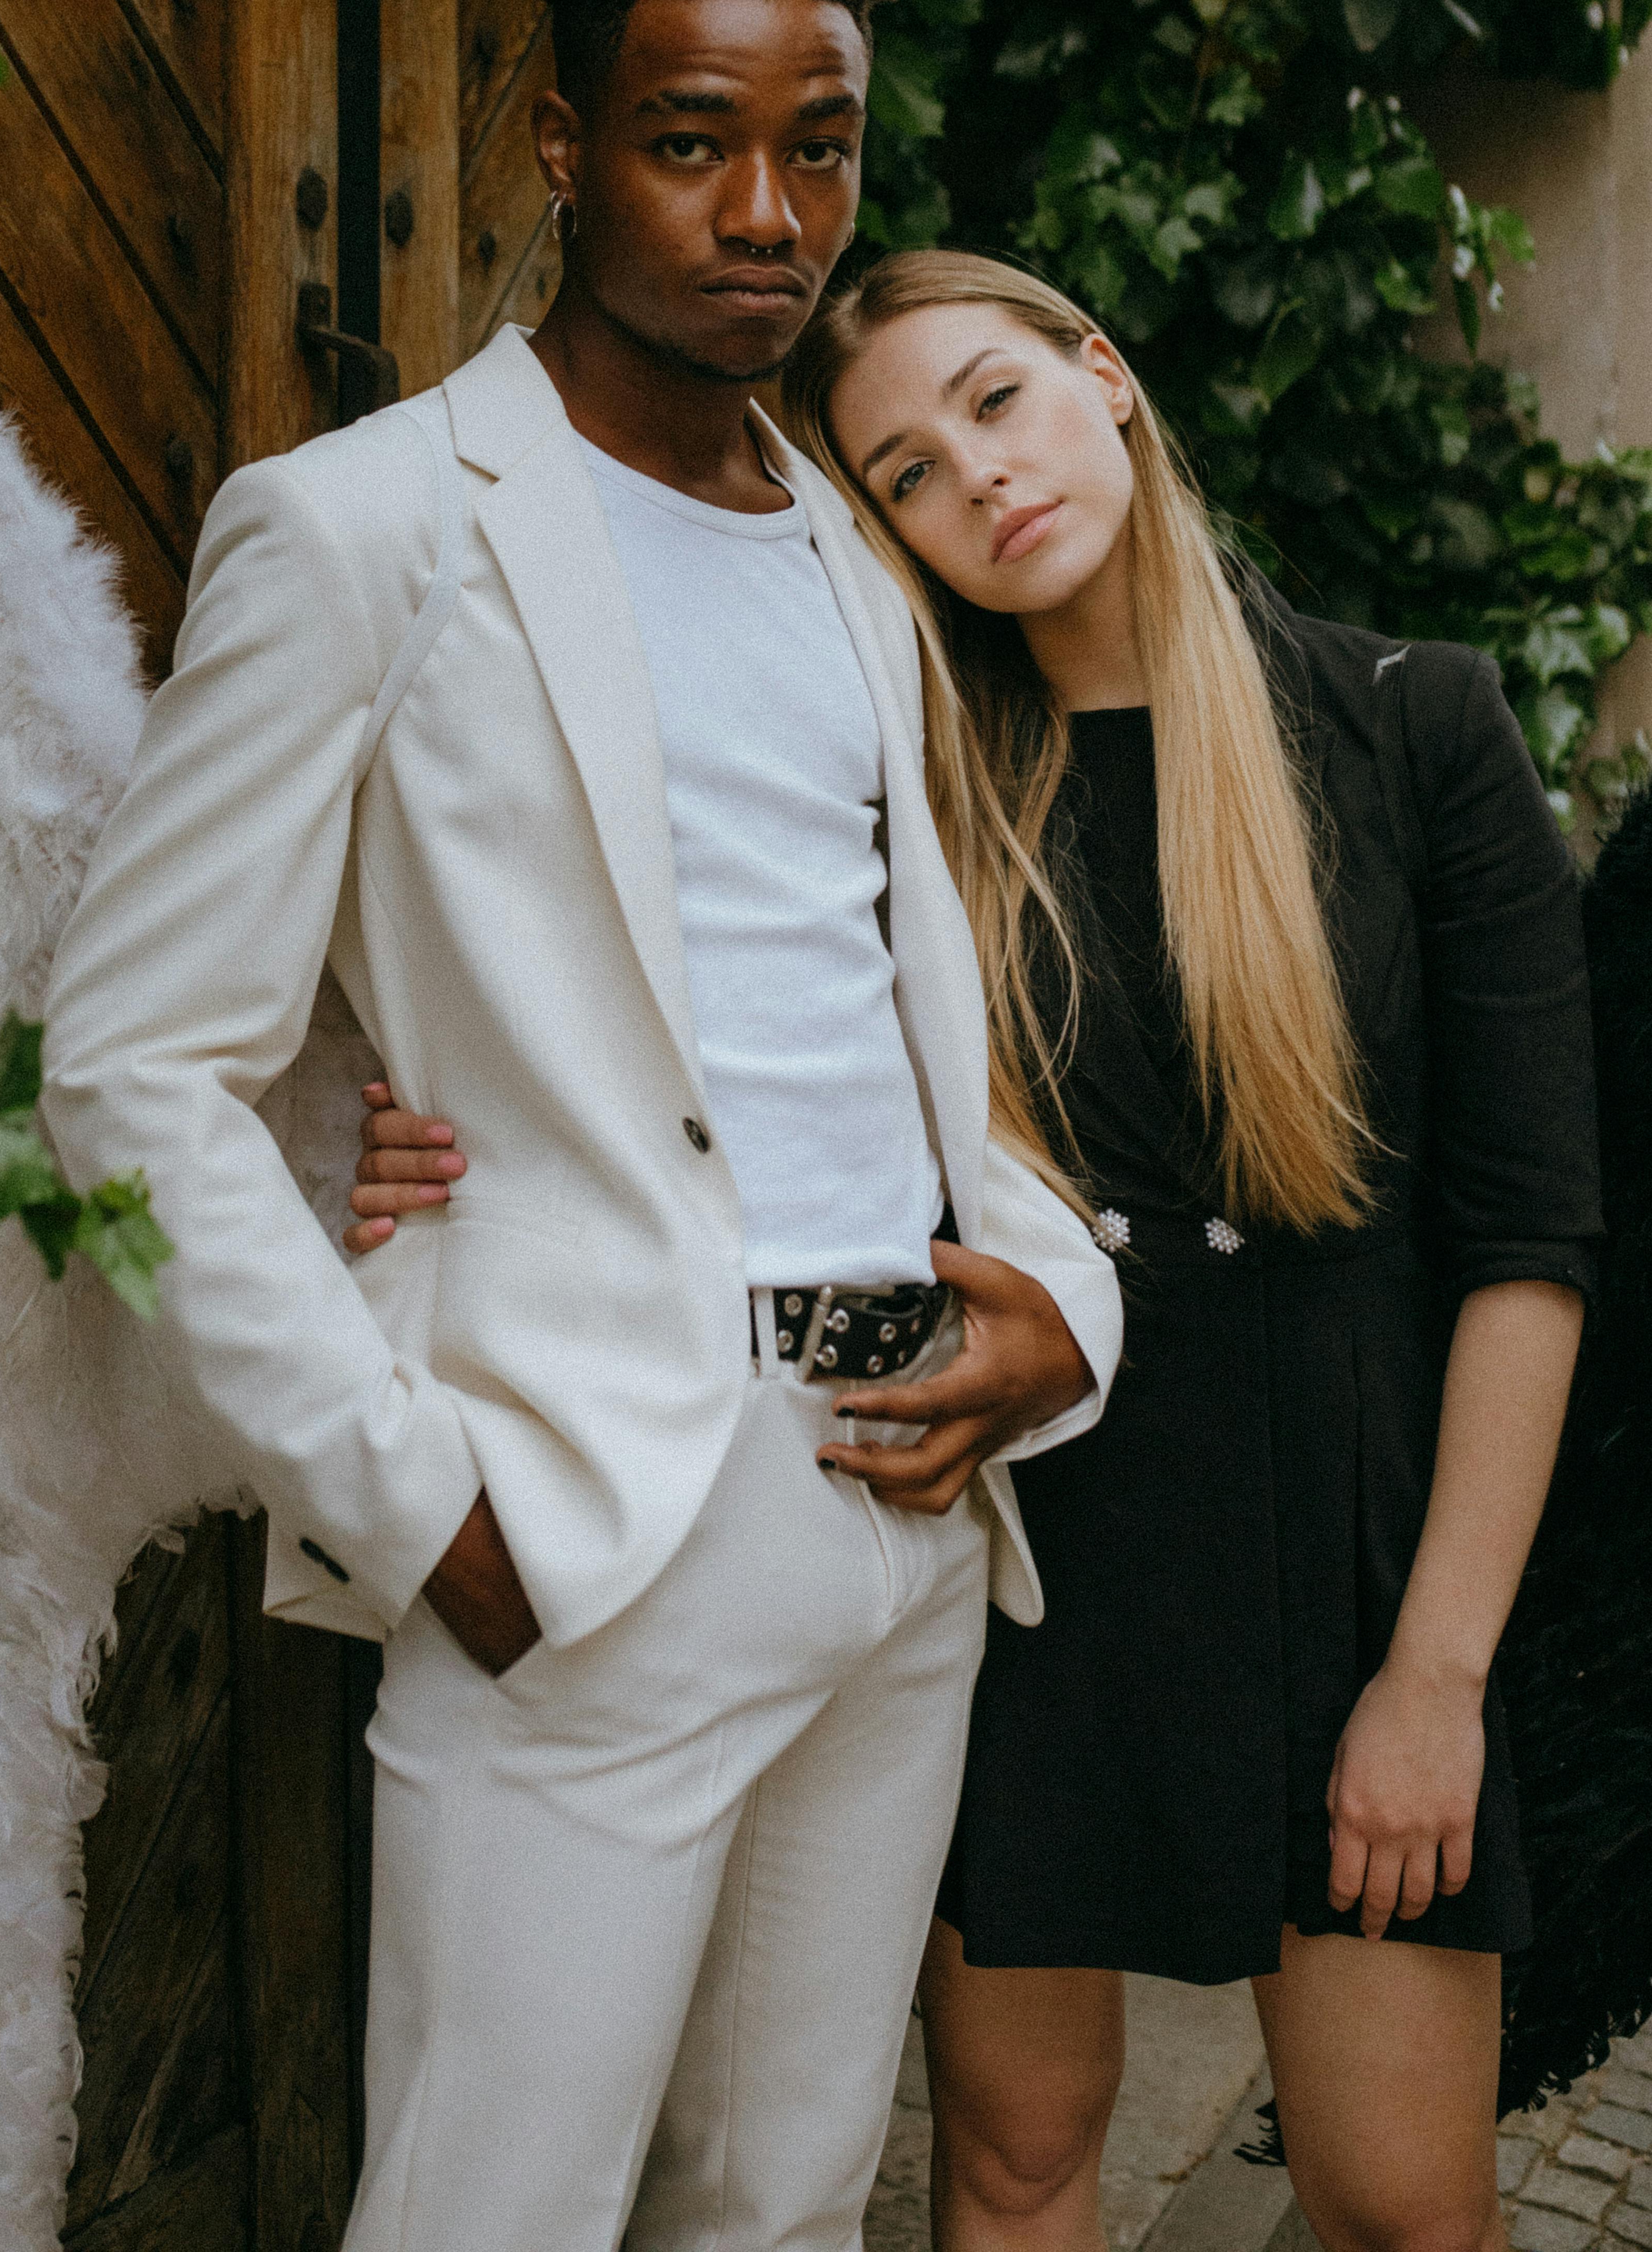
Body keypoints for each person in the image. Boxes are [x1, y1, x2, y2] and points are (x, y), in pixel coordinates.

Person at [39, 0, 1123, 2252]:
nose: (766, 211)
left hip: (901, 1489)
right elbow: (128, 1068)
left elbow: (913, 1000)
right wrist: (416, 1498)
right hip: (588, 1517)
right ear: (559, 145)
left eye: (819, 147)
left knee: (788, 2209)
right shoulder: (366, 532)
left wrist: (1058, 1310)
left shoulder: (853, 556)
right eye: (691, 139)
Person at [356, 240, 1601, 2252]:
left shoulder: (1414, 726)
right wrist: (409, 1135)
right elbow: (660, 1015)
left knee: (1403, 2215)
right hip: (1031, 1546)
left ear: (1100, 374)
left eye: (994, 404)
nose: (978, 481)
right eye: (907, 475)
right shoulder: (919, 783)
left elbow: (1528, 1251)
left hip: (1353, 1563)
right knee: (1016, 2172)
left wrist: (1436, 1675)